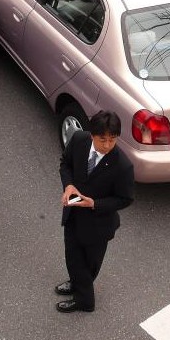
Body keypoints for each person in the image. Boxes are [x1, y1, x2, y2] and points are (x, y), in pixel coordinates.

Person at [56, 110, 134, 313]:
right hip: (73, 214)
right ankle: (76, 283)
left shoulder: (123, 166)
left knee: (90, 264)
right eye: (102, 139)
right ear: (91, 134)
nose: (107, 145)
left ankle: (85, 301)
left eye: (112, 140)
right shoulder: (79, 140)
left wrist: (94, 204)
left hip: (99, 225)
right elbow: (65, 164)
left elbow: (125, 199)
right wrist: (69, 185)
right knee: (72, 255)